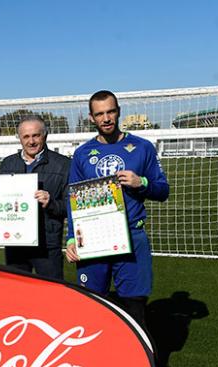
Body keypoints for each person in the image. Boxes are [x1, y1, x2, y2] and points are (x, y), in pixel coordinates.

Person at [65, 90, 169, 324]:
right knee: (92, 305)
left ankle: (141, 360)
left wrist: (141, 183)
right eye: (100, 114)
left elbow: (163, 190)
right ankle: (94, 359)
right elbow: (74, 200)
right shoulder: (82, 154)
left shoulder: (142, 147)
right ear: (91, 118)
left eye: (110, 111)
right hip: (93, 239)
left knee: (135, 308)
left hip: (132, 237)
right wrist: (72, 238)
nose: (106, 118)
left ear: (119, 111)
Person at [0, 114, 70, 279]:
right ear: (20, 138)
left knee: (51, 294)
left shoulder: (63, 164)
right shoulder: (8, 163)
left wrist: (51, 202)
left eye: (35, 135)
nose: (31, 141)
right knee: (17, 295)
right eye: (26, 136)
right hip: (14, 244)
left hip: (47, 245)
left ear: (45, 135)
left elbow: (70, 206)